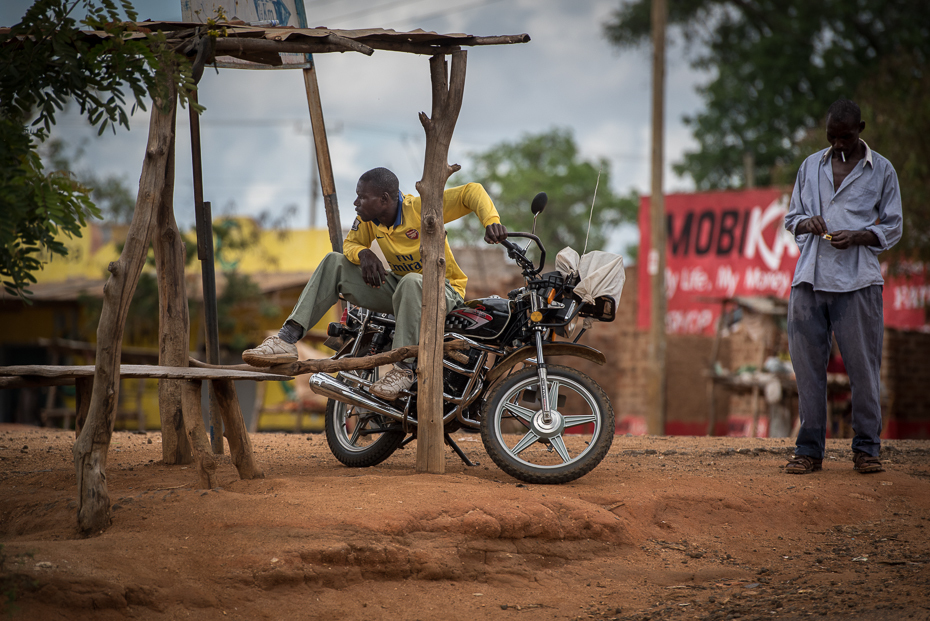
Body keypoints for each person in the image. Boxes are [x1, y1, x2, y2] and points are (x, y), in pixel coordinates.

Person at [242, 167, 508, 400]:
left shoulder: (420, 208)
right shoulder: (371, 221)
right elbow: (350, 244)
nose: (356, 202)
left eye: (362, 197)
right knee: (334, 262)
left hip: (444, 291)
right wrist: (364, 253)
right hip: (404, 289)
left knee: (412, 281)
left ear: (384, 199)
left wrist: (491, 221)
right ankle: (286, 340)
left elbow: (471, 192)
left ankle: (404, 370)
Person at [782, 98, 903, 474]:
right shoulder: (810, 166)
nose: (838, 144)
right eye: (832, 137)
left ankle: (867, 448)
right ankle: (809, 450)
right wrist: (808, 224)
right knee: (807, 369)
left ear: (860, 130)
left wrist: (861, 235)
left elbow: (893, 226)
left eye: (846, 137)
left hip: (858, 282)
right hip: (810, 278)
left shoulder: (881, 170)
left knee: (863, 368)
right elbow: (792, 218)